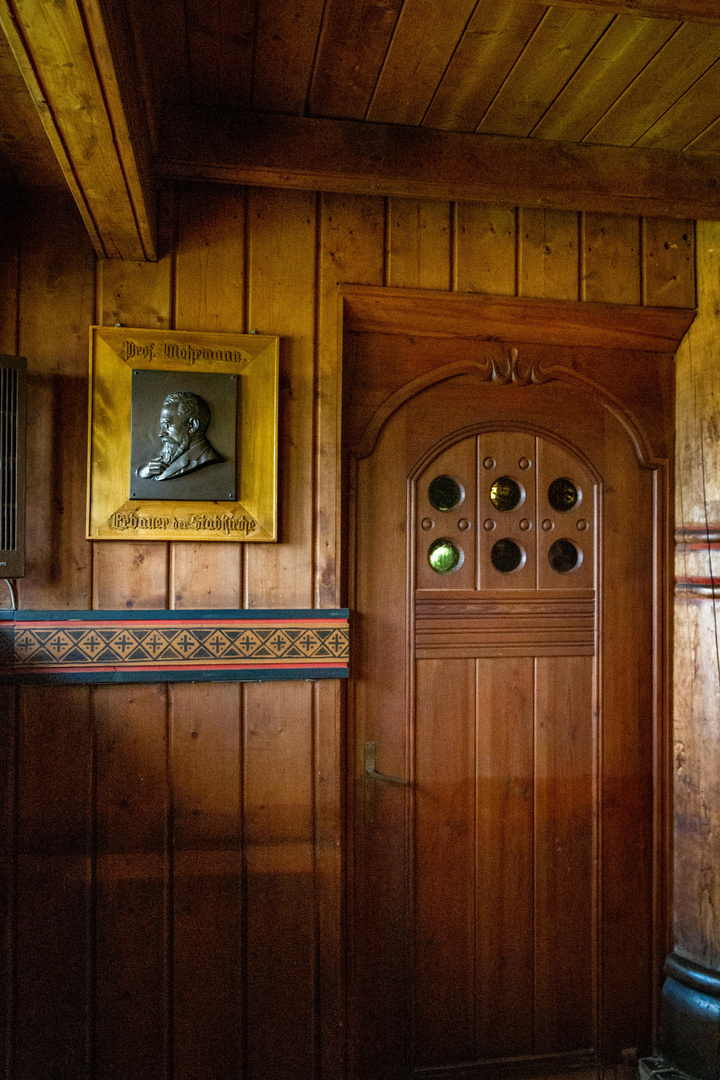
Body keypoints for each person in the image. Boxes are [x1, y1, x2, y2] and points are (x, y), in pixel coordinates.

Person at [137, 391, 223, 481]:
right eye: (162, 426)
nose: (161, 433)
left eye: (167, 425)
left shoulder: (207, 459)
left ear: (192, 425)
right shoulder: (174, 454)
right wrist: (144, 472)